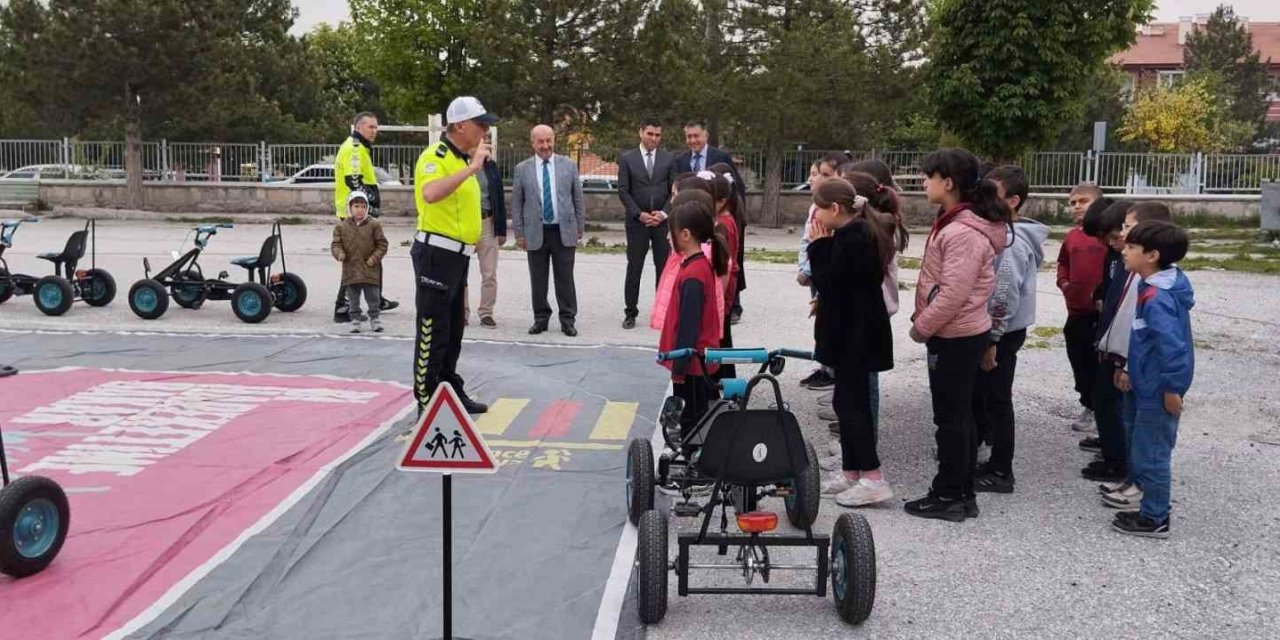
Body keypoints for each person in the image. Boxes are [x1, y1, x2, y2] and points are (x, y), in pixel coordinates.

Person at [905, 148, 1010, 523]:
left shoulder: (963, 231)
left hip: (956, 335)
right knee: (958, 416)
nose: (923, 182)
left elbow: (954, 292)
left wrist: (922, 326)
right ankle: (960, 491)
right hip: (959, 333)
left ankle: (950, 494)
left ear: (947, 182)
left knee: (950, 419)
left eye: (928, 176)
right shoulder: (954, 222)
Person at [806, 178, 895, 508]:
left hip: (856, 338)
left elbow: (832, 283)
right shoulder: (849, 236)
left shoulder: (856, 239)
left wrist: (817, 247)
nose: (814, 214)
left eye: (817, 207)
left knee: (855, 407)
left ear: (834, 209)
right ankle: (852, 471)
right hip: (850, 335)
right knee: (845, 403)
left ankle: (872, 477)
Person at [407, 96, 496, 419]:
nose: (485, 131)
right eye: (480, 124)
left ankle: (448, 385)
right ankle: (425, 399)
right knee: (432, 330)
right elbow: (430, 194)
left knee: (454, 329)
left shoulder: (460, 159)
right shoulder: (437, 156)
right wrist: (472, 169)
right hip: (436, 254)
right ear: (460, 125)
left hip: (458, 257)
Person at [969, 165, 1049, 493]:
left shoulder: (1012, 242)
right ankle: (984, 454)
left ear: (1013, 201)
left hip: (1000, 332)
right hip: (994, 331)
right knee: (986, 396)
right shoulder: (1000, 233)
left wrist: (993, 340)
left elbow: (1004, 294)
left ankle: (1002, 470)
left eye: (992, 195)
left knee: (999, 399)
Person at [1111, 220, 1194, 539]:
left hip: (1158, 391)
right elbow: (1143, 339)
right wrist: (1131, 368)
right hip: (1144, 384)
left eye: (1131, 247)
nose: (1124, 251)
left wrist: (1173, 389)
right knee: (1142, 448)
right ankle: (1149, 507)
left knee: (1153, 454)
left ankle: (1155, 517)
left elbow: (1173, 347)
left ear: (1152, 255)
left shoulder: (1157, 297)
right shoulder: (1150, 286)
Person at [1092, 202, 1173, 504]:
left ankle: (1151, 508)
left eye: (1127, 227)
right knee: (1134, 429)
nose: (1121, 234)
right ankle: (1133, 482)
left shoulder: (1152, 285)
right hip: (1128, 361)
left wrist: (1125, 363)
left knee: (1147, 438)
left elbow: (1144, 332)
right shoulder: (1134, 270)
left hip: (1142, 371)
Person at [658, 200, 730, 439]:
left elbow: (689, 326)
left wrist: (679, 368)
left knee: (691, 422)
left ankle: (694, 466)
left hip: (692, 364)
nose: (668, 237)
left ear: (686, 235)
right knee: (694, 418)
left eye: (671, 232)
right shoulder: (696, 266)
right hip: (695, 363)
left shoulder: (694, 274)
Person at [511, 125, 585, 336]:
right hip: (536, 231)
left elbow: (577, 198)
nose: (545, 145)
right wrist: (519, 233)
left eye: (548, 140)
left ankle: (567, 319)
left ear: (554, 140)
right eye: (540, 141)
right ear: (533, 143)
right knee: (538, 279)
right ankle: (541, 318)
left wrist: (580, 226)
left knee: (565, 278)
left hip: (563, 231)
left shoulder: (568, 165)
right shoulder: (522, 169)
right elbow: (517, 204)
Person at [333, 111, 397, 323]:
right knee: (355, 262)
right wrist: (364, 210)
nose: (375, 131)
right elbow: (354, 181)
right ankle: (342, 308)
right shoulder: (354, 149)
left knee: (369, 260)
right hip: (355, 217)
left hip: (357, 214)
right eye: (371, 127)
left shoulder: (359, 148)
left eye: (376, 127)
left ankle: (375, 298)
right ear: (359, 127)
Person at [617, 118, 678, 329]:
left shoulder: (669, 158)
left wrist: (663, 213)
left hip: (662, 223)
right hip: (637, 223)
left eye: (658, 135)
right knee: (634, 267)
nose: (654, 138)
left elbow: (674, 190)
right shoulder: (627, 158)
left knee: (663, 269)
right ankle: (630, 312)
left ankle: (661, 312)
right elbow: (623, 190)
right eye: (650, 134)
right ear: (641, 132)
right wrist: (639, 214)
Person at [1058, 182, 1106, 432]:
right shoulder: (1072, 236)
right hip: (1076, 313)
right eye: (1073, 202)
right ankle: (1087, 403)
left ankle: (1103, 412)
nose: (1077, 206)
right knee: (1080, 362)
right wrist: (1064, 283)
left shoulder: (1108, 236)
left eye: (1083, 201)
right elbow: (1063, 262)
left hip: (1102, 315)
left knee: (1101, 366)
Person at [796, 154, 844, 390]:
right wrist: (803, 267)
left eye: (825, 175)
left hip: (822, 270)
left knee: (830, 323)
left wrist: (807, 269)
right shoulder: (818, 206)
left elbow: (820, 243)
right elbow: (807, 240)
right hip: (816, 270)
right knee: (822, 322)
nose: (816, 179)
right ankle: (826, 367)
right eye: (816, 174)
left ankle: (832, 372)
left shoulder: (833, 212)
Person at [464, 122, 508, 329]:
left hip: (487, 221)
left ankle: (486, 312)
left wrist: (501, 229)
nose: (488, 143)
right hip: (464, 224)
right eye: (485, 138)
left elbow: (498, 196)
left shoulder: (491, 166)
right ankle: (461, 312)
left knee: (489, 273)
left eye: (489, 139)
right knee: (460, 271)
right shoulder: (460, 163)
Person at [331, 191, 389, 333]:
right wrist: (339, 254)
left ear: (367, 208)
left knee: (373, 296)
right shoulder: (341, 227)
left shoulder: (374, 225)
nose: (359, 210)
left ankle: (375, 319)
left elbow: (382, 245)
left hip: (370, 269)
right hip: (351, 269)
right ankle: (355, 319)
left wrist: (373, 259)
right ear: (350, 208)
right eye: (356, 206)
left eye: (363, 206)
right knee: (353, 297)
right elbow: (335, 245)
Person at [707, 161, 748, 324]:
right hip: (726, 286)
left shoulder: (723, 224)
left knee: (721, 335)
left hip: (722, 288)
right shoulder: (728, 216)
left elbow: (726, 264)